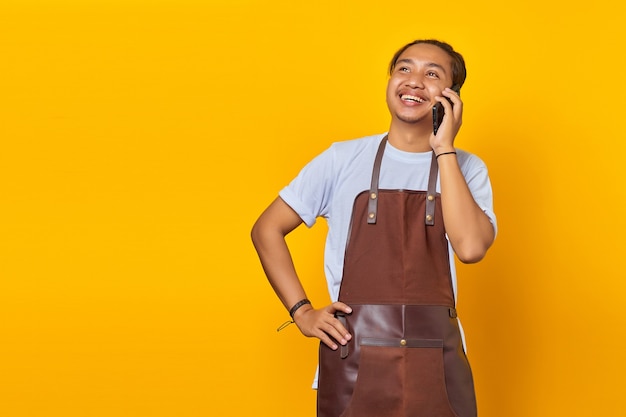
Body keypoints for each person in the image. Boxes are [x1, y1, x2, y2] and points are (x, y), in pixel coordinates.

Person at [251, 39, 496, 417]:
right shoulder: (342, 159)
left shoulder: (467, 168)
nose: (414, 81)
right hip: (354, 358)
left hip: (438, 363)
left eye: (432, 74)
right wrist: (301, 311)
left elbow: (471, 248)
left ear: (451, 96)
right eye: (405, 68)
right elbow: (267, 229)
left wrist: (444, 148)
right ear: (390, 79)